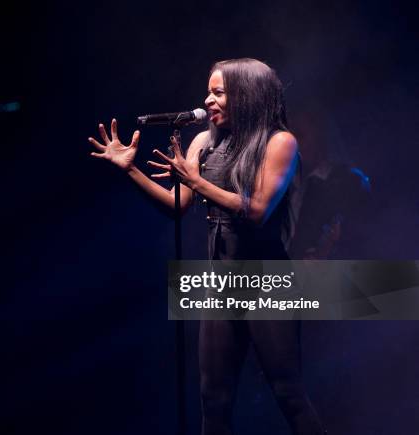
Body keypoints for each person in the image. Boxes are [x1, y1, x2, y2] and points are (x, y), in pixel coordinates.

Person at [89, 58, 326, 434]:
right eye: (209, 91)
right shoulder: (203, 141)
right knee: (212, 398)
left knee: (287, 392)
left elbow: (258, 211)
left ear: (247, 96)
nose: (208, 100)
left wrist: (197, 183)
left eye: (218, 92)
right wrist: (130, 170)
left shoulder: (280, 142)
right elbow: (177, 205)